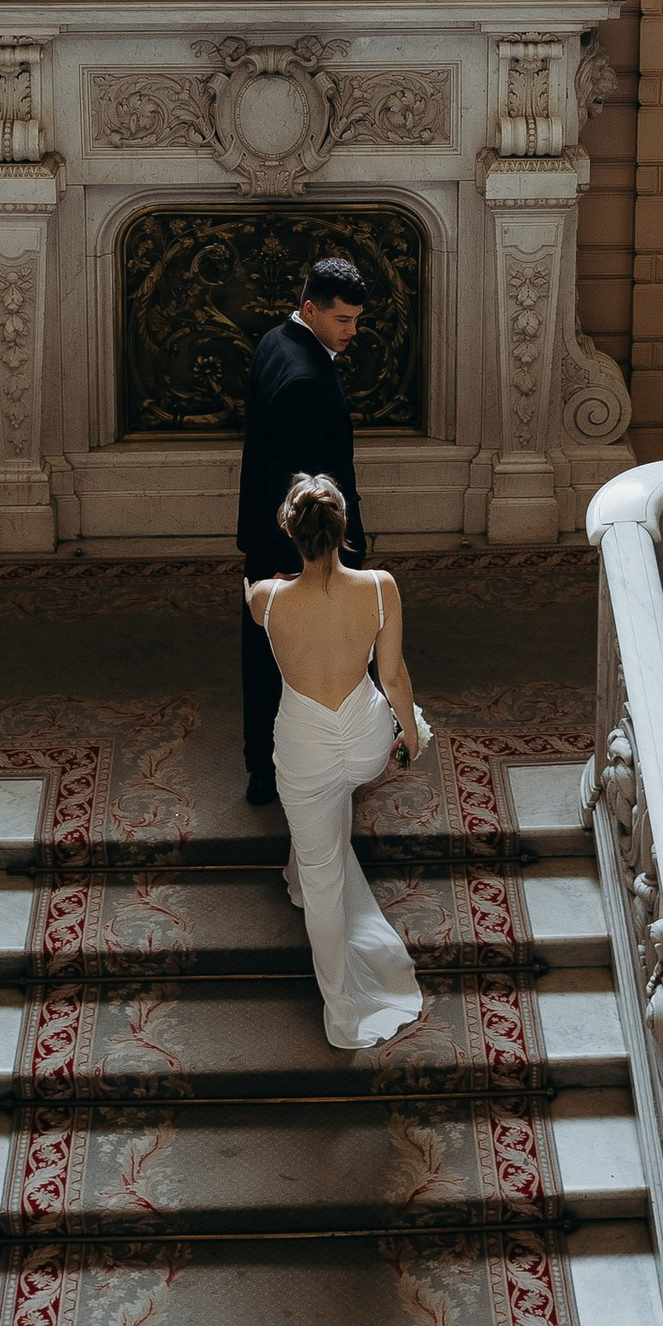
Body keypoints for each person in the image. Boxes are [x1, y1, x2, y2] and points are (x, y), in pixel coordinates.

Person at [246, 470, 425, 1051]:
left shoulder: (265, 600)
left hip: (305, 751)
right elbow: (393, 676)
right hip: (369, 745)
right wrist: (411, 734)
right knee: (333, 801)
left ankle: (343, 1009)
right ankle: (308, 858)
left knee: (324, 875)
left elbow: (256, 593)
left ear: (291, 533)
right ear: (344, 528)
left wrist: (265, 582)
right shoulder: (381, 587)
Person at [235, 250, 368, 803]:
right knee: (295, 658)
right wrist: (331, 556)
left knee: (265, 651)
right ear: (310, 309)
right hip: (298, 546)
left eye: (357, 321)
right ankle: (276, 773)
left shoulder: (274, 340)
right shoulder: (305, 379)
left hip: (267, 537)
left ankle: (263, 767)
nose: (351, 333)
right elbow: (304, 486)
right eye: (342, 320)